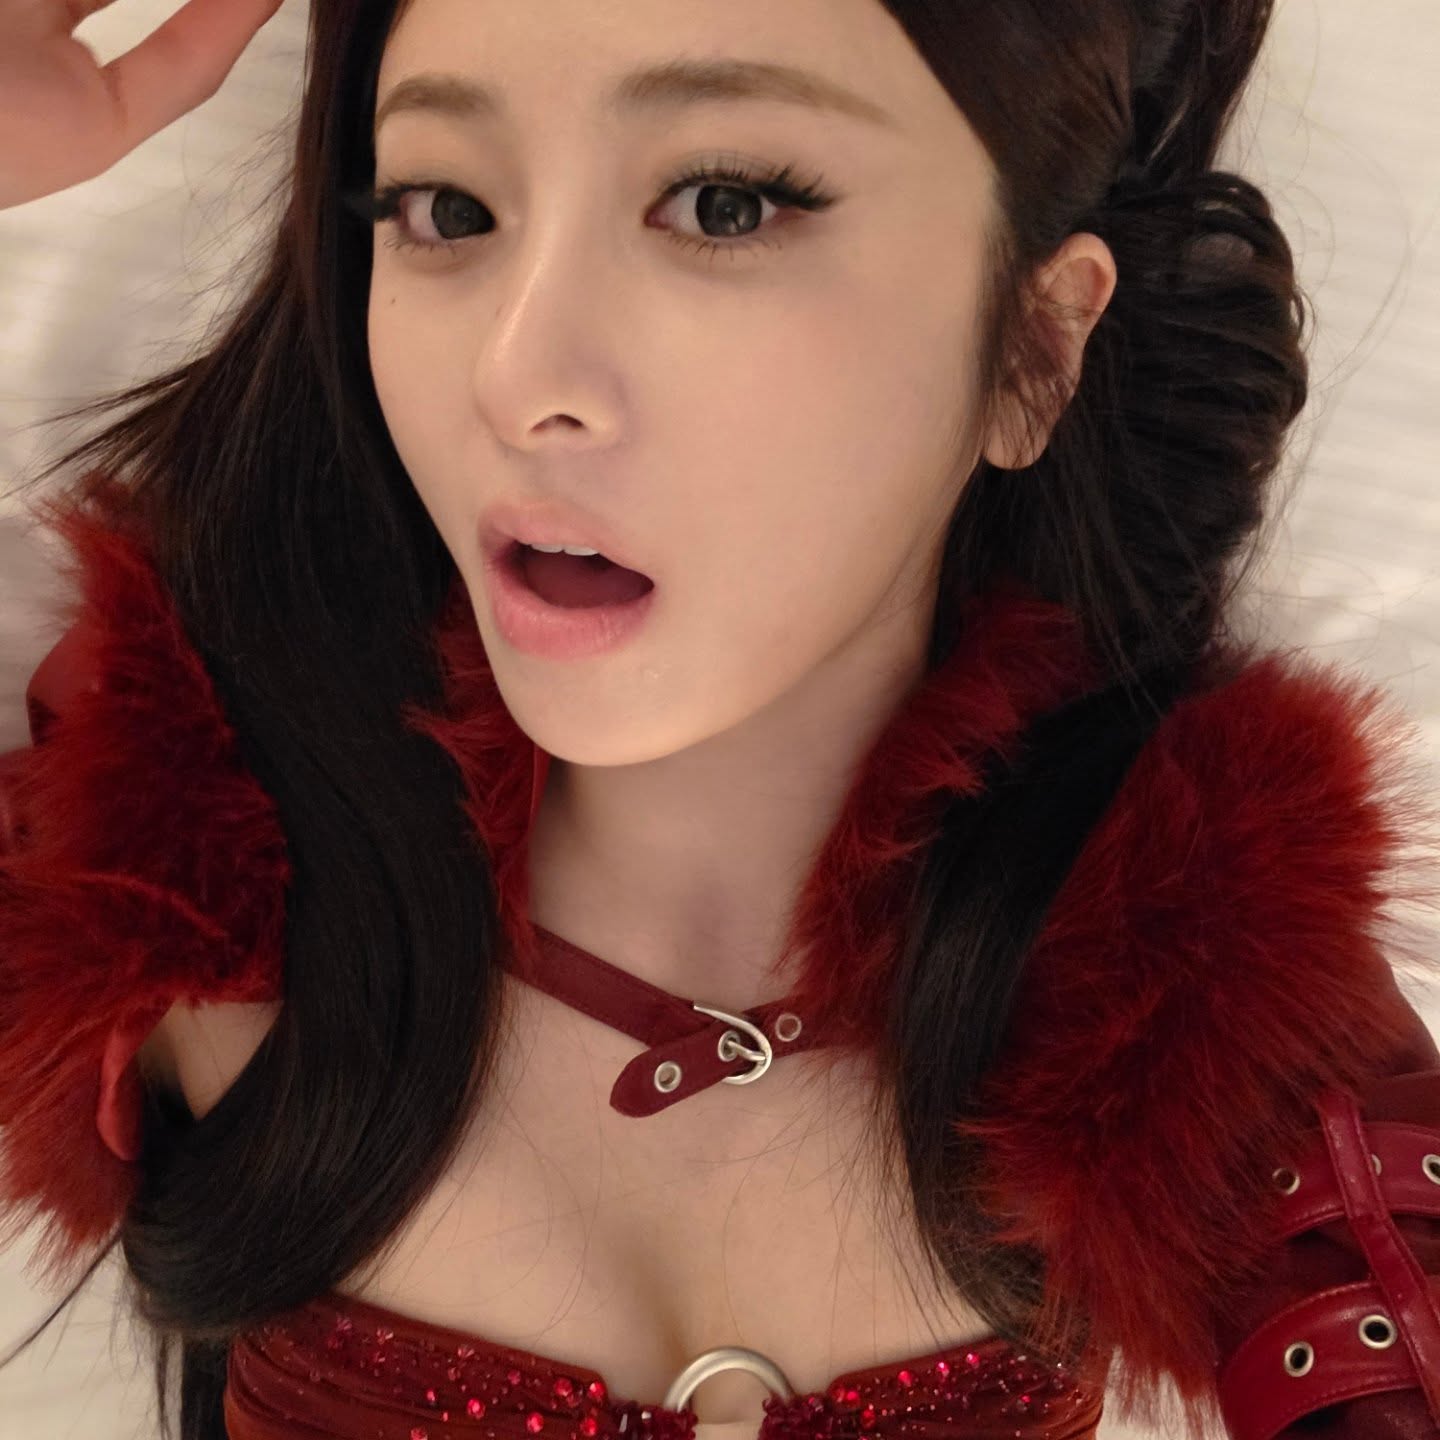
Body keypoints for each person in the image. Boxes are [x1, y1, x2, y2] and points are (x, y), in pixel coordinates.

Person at [2, 2, 1439, 1438]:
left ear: (1034, 347)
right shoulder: (161, 883)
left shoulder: (1209, 1000)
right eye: (448, 209)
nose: (521, 377)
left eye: (725, 205)